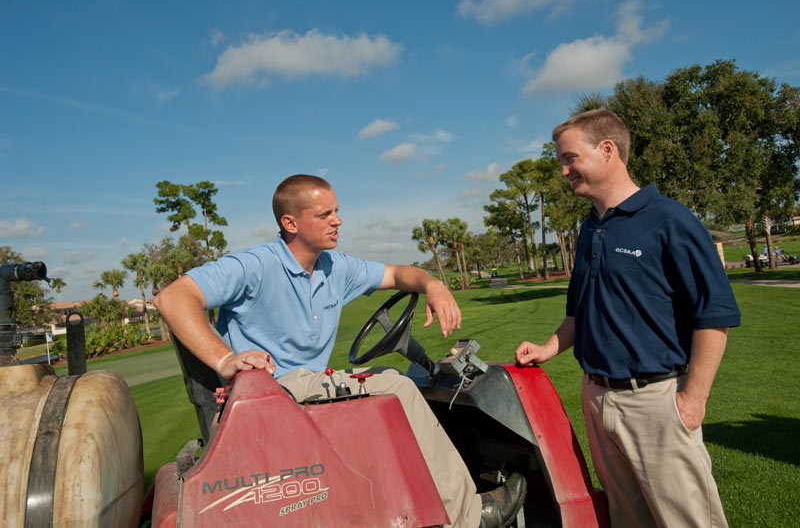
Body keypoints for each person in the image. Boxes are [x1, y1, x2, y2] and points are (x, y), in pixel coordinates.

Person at [154, 174, 526, 528]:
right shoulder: (255, 265)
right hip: (269, 394)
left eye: (336, 211)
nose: (338, 221)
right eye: (325, 214)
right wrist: (227, 359)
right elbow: (172, 298)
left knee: (388, 382)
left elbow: (397, 274)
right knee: (396, 386)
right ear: (291, 222)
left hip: (300, 389)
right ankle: (469, 515)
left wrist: (432, 284)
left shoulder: (335, 267)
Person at [515, 109, 740, 528]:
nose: (563, 171)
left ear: (607, 150)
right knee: (627, 519)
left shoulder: (670, 219)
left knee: (687, 521)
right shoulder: (590, 229)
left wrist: (693, 401)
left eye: (570, 159)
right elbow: (579, 311)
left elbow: (715, 315)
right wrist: (550, 346)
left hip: (655, 401)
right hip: (597, 399)